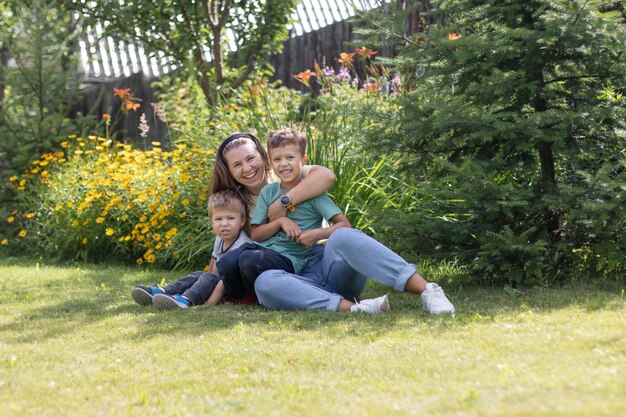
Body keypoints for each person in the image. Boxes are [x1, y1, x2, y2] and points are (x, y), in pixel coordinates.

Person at [212, 130, 455, 314]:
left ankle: (427, 290)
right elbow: (223, 253)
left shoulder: (303, 178)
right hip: (296, 278)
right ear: (229, 171)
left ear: (264, 159)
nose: (247, 168)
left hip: (326, 263)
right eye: (237, 165)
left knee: (343, 236)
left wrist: (292, 212)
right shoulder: (233, 205)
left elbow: (330, 184)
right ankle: (354, 308)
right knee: (265, 283)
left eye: (250, 159)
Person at [130, 189, 250, 309]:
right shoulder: (220, 238)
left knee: (207, 277)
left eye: (230, 218)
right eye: (218, 219)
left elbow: (225, 282)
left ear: (242, 221)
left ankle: (185, 300)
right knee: (199, 275)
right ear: (212, 222)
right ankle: (162, 291)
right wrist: (207, 282)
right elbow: (214, 268)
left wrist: (209, 303)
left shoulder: (242, 244)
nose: (224, 224)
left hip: (235, 288)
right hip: (220, 282)